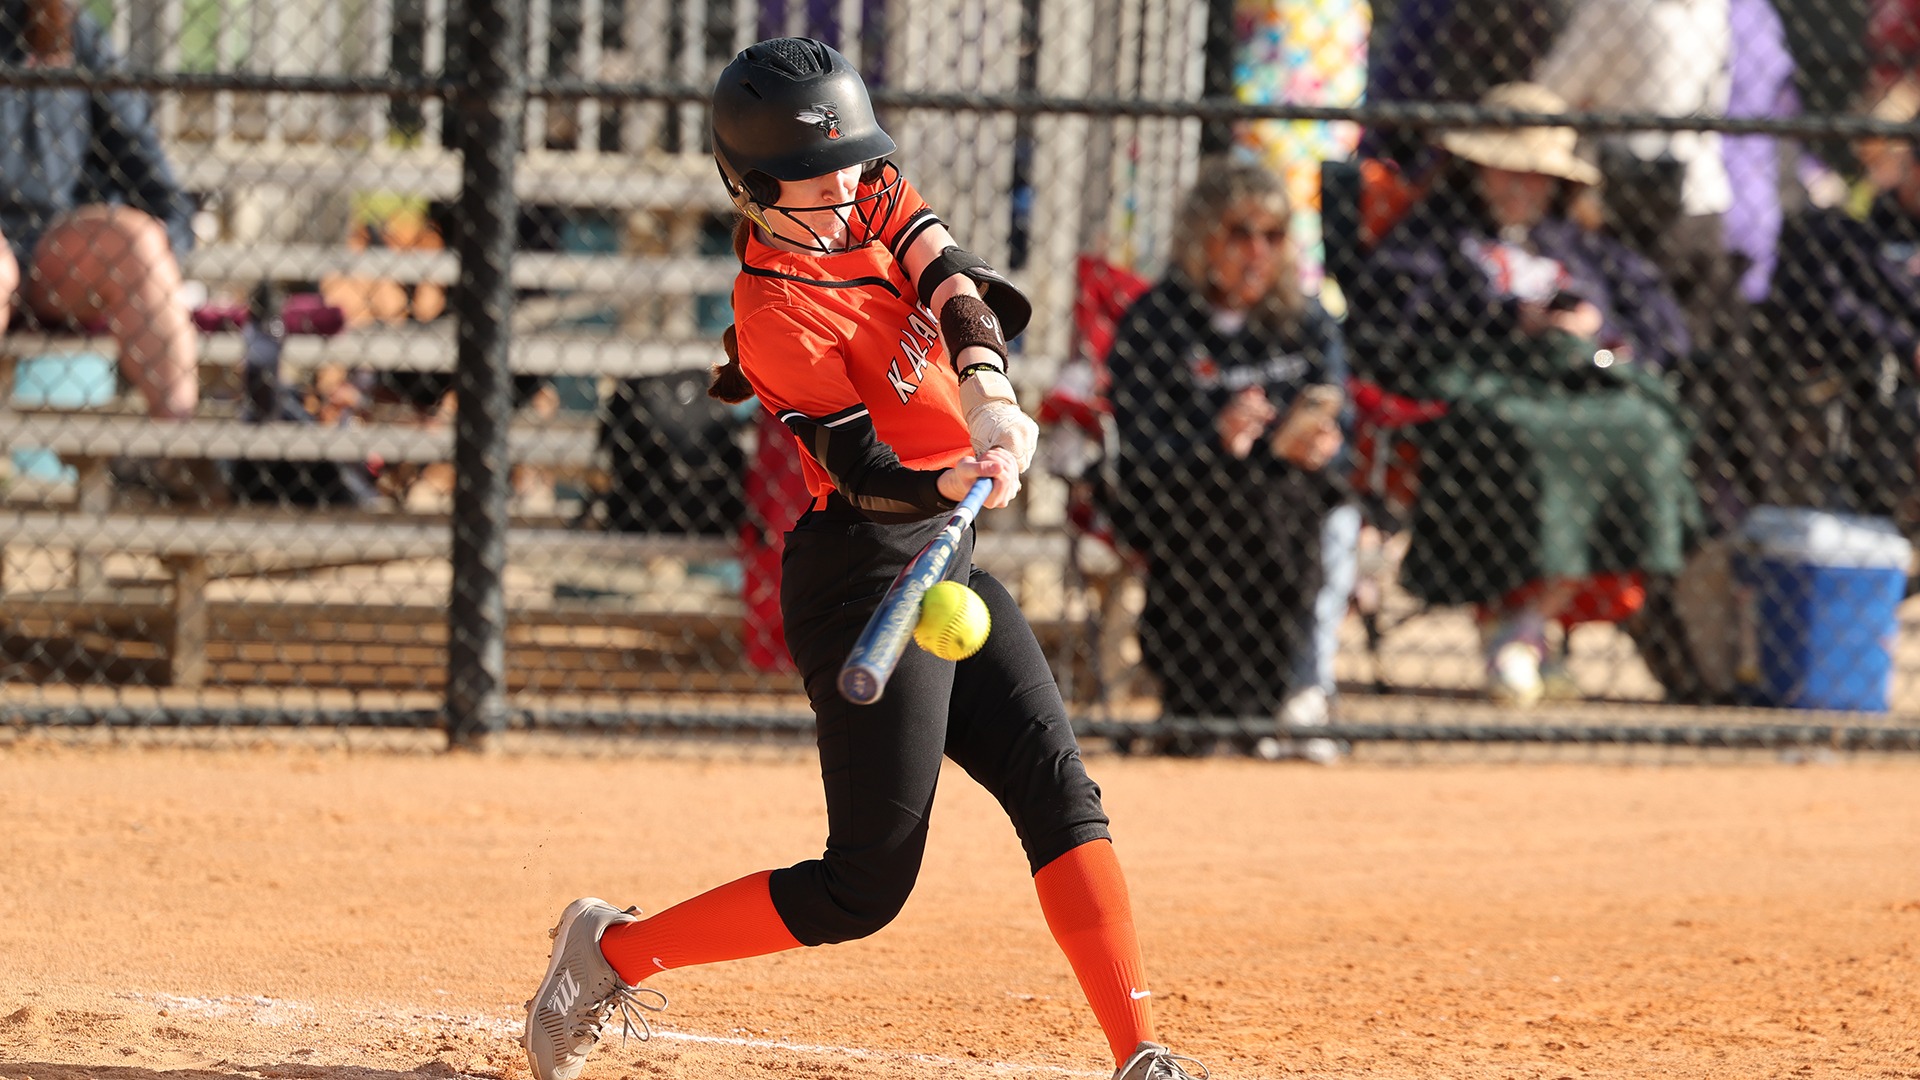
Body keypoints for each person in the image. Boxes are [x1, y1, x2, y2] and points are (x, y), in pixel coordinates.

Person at [518, 38, 1209, 1080]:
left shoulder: (868, 188)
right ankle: (610, 952)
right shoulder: (771, 311)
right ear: (755, 187)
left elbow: (953, 280)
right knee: (864, 885)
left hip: (945, 554)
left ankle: (1140, 1055)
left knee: (1059, 790)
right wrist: (953, 481)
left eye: (855, 160)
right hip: (864, 567)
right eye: (818, 173)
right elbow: (866, 464)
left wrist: (988, 395)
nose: (849, 183)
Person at [1346, 82, 1703, 703]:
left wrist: (1598, 331)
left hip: (1582, 380)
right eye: (1507, 171)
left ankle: (1529, 621)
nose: (1522, 187)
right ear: (1475, 169)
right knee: (1520, 434)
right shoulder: (1432, 235)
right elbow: (1389, 325)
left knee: (1645, 426)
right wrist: (1509, 323)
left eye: (1537, 175)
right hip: (1485, 382)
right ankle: (1518, 621)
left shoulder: (1575, 242)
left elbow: (1664, 326)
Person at [1104, 158, 1346, 751]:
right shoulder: (1157, 322)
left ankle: (1274, 700)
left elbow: (1345, 428)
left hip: (1289, 499)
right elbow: (1139, 444)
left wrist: (1321, 444)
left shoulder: (1305, 322)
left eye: (1272, 236)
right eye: (1239, 233)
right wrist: (1215, 440)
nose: (1257, 251)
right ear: (1200, 238)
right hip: (1181, 492)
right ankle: (1220, 706)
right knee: (1242, 501)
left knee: (1289, 501)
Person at [0, 0, 199, 424]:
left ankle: (180, 447)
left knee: (136, 240)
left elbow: (150, 175)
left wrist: (168, 246)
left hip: (53, 250)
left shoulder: (76, 33)